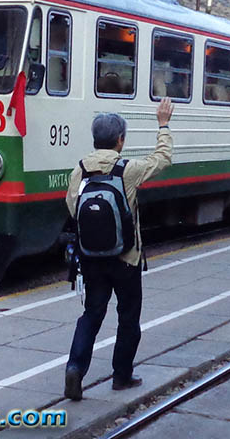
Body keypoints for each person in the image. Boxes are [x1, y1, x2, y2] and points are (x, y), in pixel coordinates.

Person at [64, 98, 174, 400]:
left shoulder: (80, 169)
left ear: (94, 138)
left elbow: (73, 208)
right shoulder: (128, 169)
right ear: (120, 140)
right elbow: (162, 159)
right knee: (128, 317)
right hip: (127, 258)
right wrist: (163, 125)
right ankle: (121, 376)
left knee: (91, 314)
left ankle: (75, 368)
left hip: (91, 260)